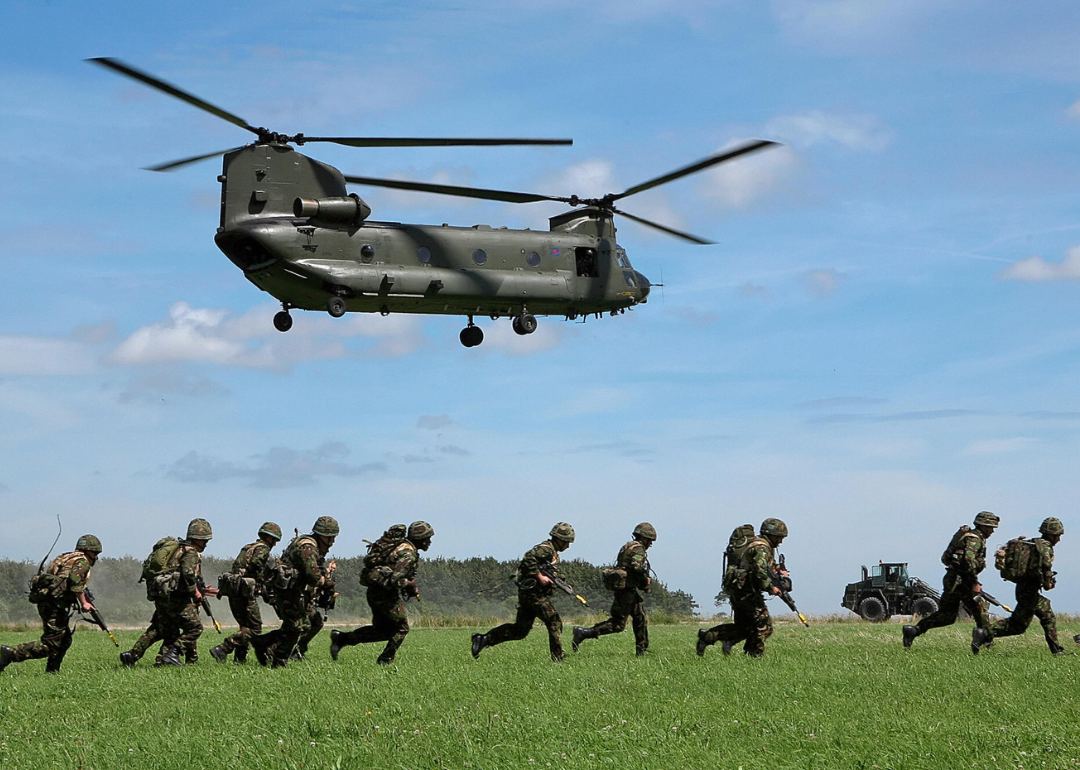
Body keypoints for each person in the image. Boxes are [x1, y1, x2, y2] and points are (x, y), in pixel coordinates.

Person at [330, 521, 434, 665]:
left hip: (376, 592)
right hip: (384, 595)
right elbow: (393, 580)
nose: (429, 542)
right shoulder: (408, 554)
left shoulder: (402, 547)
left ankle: (342, 639)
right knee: (401, 628)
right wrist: (409, 586)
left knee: (383, 631)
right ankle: (385, 660)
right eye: (427, 538)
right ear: (419, 538)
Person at [471, 522, 576, 662]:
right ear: (558, 539)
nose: (567, 546)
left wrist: (563, 583)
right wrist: (539, 576)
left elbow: (550, 573)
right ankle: (558, 657)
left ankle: (483, 639)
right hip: (533, 594)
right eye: (566, 542)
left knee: (520, 630)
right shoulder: (546, 549)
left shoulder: (552, 553)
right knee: (554, 621)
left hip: (529, 594)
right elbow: (528, 558)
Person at [121, 518, 218, 667]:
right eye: (204, 540)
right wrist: (195, 593)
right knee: (195, 628)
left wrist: (200, 589)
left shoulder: (178, 550)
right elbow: (187, 573)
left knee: (161, 629)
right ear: (196, 539)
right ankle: (173, 653)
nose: (205, 544)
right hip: (177, 598)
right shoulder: (190, 552)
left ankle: (134, 655)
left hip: (163, 596)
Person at [0, 535, 103, 674]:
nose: (96, 557)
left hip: (50, 602)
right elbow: (75, 583)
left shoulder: (67, 558)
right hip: (54, 604)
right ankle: (10, 654)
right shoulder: (81, 561)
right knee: (50, 645)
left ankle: (52, 671)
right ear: (89, 551)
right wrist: (84, 603)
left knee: (64, 640)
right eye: (95, 553)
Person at [903, 511, 999, 649]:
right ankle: (986, 642)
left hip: (954, 579)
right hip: (961, 581)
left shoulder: (971, 537)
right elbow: (968, 561)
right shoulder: (974, 539)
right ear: (983, 526)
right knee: (979, 609)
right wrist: (974, 583)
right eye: (990, 528)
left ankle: (913, 630)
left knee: (947, 617)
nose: (992, 531)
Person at [251, 516, 338, 668]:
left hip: (296, 592)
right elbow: (313, 576)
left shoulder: (311, 546)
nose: (332, 542)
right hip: (287, 592)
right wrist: (328, 584)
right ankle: (279, 661)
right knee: (295, 627)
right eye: (330, 537)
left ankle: (270, 646)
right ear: (321, 535)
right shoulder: (308, 547)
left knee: (313, 621)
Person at [697, 518, 787, 658]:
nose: (780, 541)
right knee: (763, 626)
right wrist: (771, 588)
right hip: (747, 591)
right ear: (772, 534)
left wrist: (777, 570)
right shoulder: (762, 548)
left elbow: (761, 566)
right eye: (779, 537)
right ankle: (754, 656)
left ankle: (708, 637)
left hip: (739, 589)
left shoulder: (756, 544)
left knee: (744, 628)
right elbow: (759, 570)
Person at [974, 517, 1064, 655]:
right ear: (1051, 534)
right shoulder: (1045, 546)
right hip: (1029, 589)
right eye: (1058, 535)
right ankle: (1057, 651)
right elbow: (1046, 564)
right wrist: (1047, 583)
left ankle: (984, 633)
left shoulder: (1033, 543)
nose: (1059, 539)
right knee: (1042, 618)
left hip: (1024, 588)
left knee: (1020, 625)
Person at [572, 522, 656, 656]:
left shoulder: (628, 546)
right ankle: (584, 633)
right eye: (650, 540)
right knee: (618, 625)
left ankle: (642, 650)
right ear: (644, 537)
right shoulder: (638, 548)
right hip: (626, 591)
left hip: (628, 589)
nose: (650, 544)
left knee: (640, 618)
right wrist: (645, 578)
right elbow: (636, 567)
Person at [209, 522, 281, 663]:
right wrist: (262, 580)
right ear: (269, 537)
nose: (275, 544)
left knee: (244, 626)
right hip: (245, 592)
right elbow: (256, 564)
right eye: (274, 540)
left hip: (234, 590)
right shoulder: (263, 548)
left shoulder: (248, 547)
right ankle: (224, 648)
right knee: (255, 629)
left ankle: (240, 659)